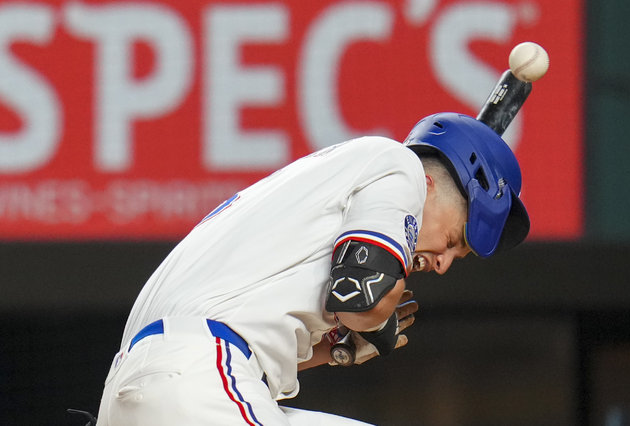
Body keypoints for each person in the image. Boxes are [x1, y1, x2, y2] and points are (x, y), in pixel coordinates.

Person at [95, 112, 529, 426]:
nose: (443, 263)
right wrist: (377, 314)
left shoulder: (306, 202)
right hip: (197, 382)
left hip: (145, 393)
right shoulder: (400, 168)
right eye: (453, 241)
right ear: (431, 183)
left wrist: (337, 347)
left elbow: (253, 341)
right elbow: (361, 296)